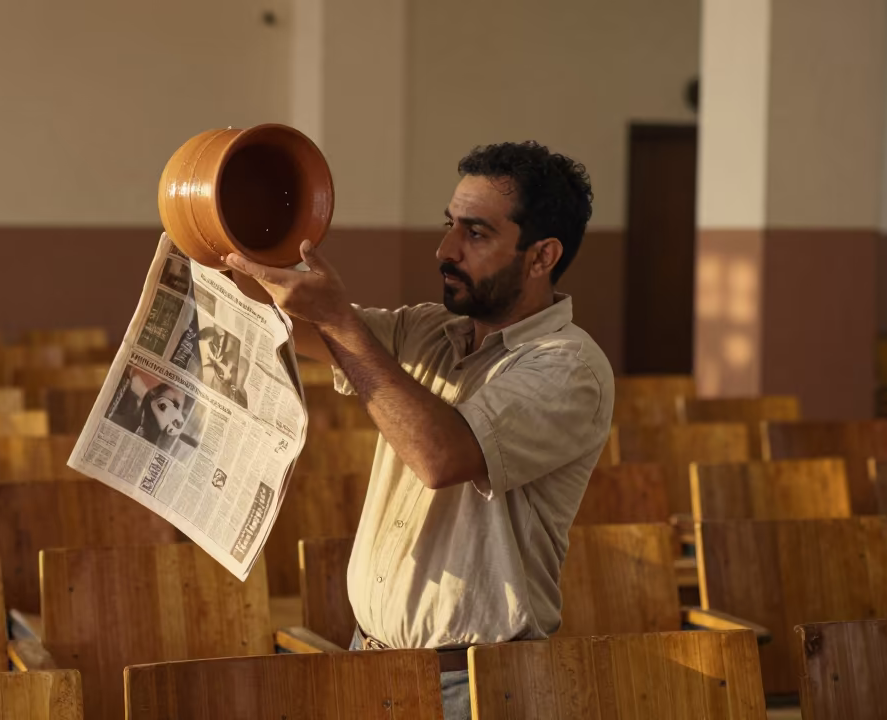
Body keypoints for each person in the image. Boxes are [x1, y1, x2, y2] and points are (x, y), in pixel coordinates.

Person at [225, 141, 613, 720]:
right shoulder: (433, 330)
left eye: (475, 234)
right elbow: (287, 316)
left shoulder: (568, 367)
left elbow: (440, 457)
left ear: (541, 256)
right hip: (372, 664)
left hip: (473, 689)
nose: (445, 250)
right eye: (448, 225)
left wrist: (337, 319)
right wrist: (228, 230)